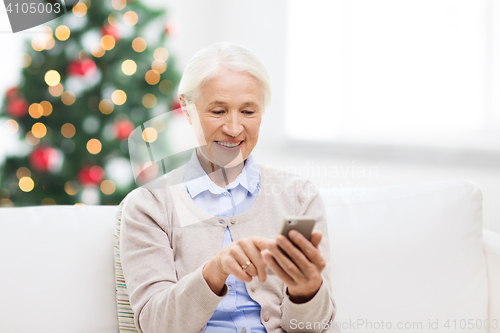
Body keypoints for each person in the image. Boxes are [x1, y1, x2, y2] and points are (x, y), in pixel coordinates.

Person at [120, 41, 339, 333]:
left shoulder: (298, 197)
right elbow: (159, 326)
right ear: (187, 110)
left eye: (248, 112)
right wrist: (216, 270)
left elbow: (312, 327)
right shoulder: (150, 205)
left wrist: (308, 290)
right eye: (218, 111)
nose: (234, 129)